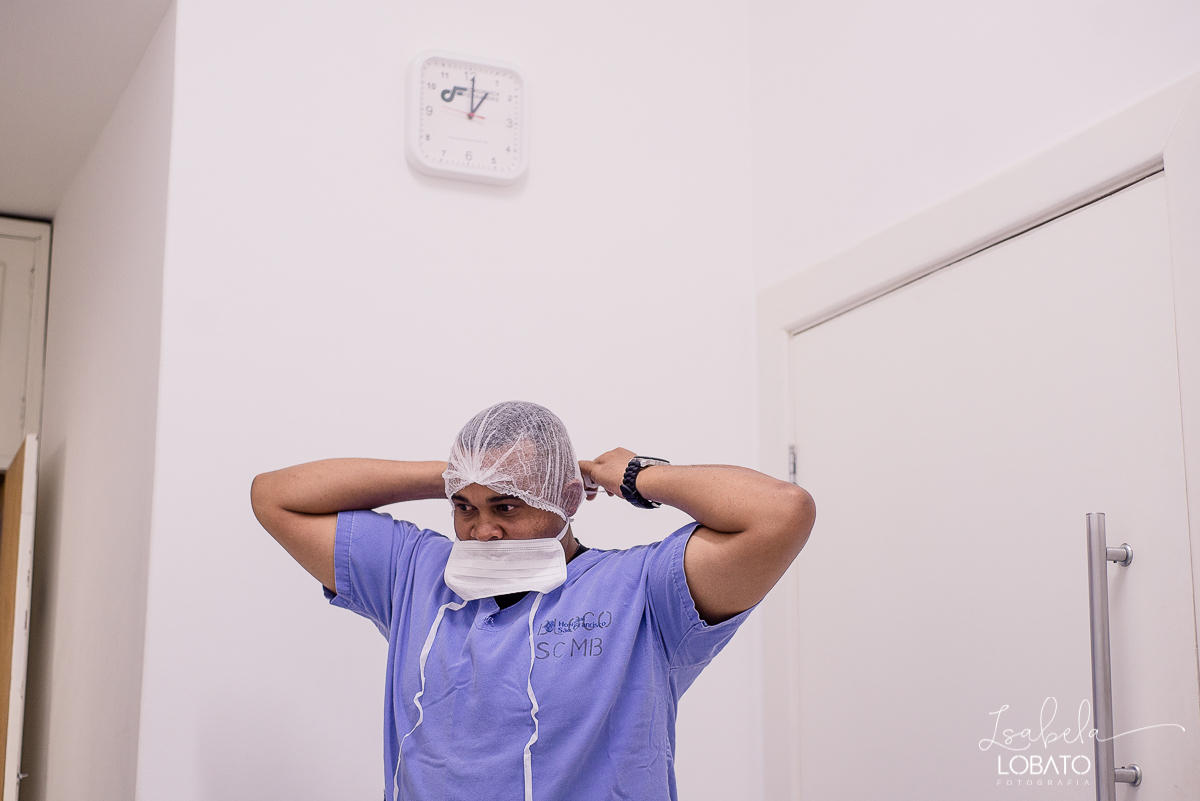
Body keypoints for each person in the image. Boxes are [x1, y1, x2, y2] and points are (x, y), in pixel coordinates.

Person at [250, 401, 814, 801]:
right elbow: (275, 496)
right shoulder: (415, 574)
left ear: (567, 498)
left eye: (508, 506)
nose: (482, 532)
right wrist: (455, 477)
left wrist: (637, 474)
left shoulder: (644, 590)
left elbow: (781, 512)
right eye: (464, 508)